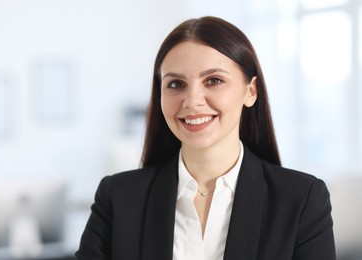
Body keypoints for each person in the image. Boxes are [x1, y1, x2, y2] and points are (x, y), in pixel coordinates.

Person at [75, 16, 336, 260]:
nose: (192, 101)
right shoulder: (118, 198)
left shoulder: (301, 200)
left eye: (213, 80)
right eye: (176, 84)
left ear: (250, 91)